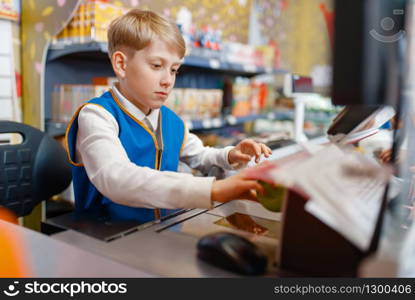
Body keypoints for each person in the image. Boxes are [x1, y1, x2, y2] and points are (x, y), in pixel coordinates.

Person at [65, 9, 272, 223]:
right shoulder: (97, 116)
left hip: (161, 232)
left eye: (174, 70)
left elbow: (200, 156)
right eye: (157, 66)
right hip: (105, 238)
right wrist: (211, 190)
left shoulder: (171, 121)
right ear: (121, 64)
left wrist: (230, 155)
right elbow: (117, 179)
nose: (167, 80)